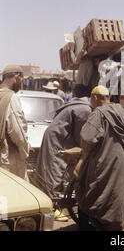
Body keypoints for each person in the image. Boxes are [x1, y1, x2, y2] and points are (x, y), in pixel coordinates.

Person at [75, 85, 124, 231]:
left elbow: (87, 138)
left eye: (91, 99)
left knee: (89, 194)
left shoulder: (99, 113)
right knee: (116, 195)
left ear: (95, 97)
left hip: (105, 164)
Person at [35, 84, 92, 221]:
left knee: (50, 172)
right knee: (54, 175)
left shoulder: (74, 104)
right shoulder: (84, 108)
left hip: (54, 138)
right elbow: (82, 136)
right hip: (57, 141)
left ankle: (50, 208)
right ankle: (53, 211)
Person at [0, 65, 30, 180]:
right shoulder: (11, 98)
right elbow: (18, 133)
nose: (21, 83)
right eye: (22, 80)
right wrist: (24, 152)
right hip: (8, 160)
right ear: (17, 77)